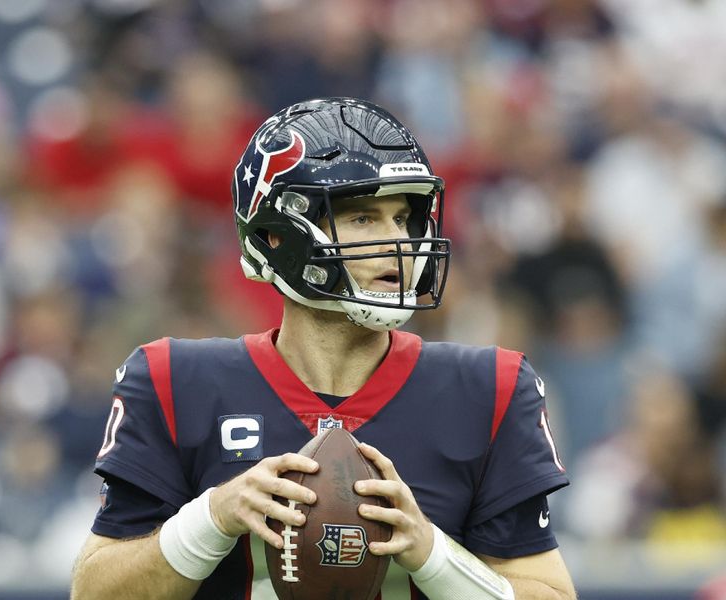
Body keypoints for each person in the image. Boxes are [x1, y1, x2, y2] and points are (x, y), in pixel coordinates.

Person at [70, 97, 576, 599]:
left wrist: (433, 554)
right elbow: (93, 592)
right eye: (361, 218)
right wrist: (212, 518)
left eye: (404, 217)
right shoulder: (173, 380)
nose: (398, 241)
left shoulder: (490, 388)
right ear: (274, 235)